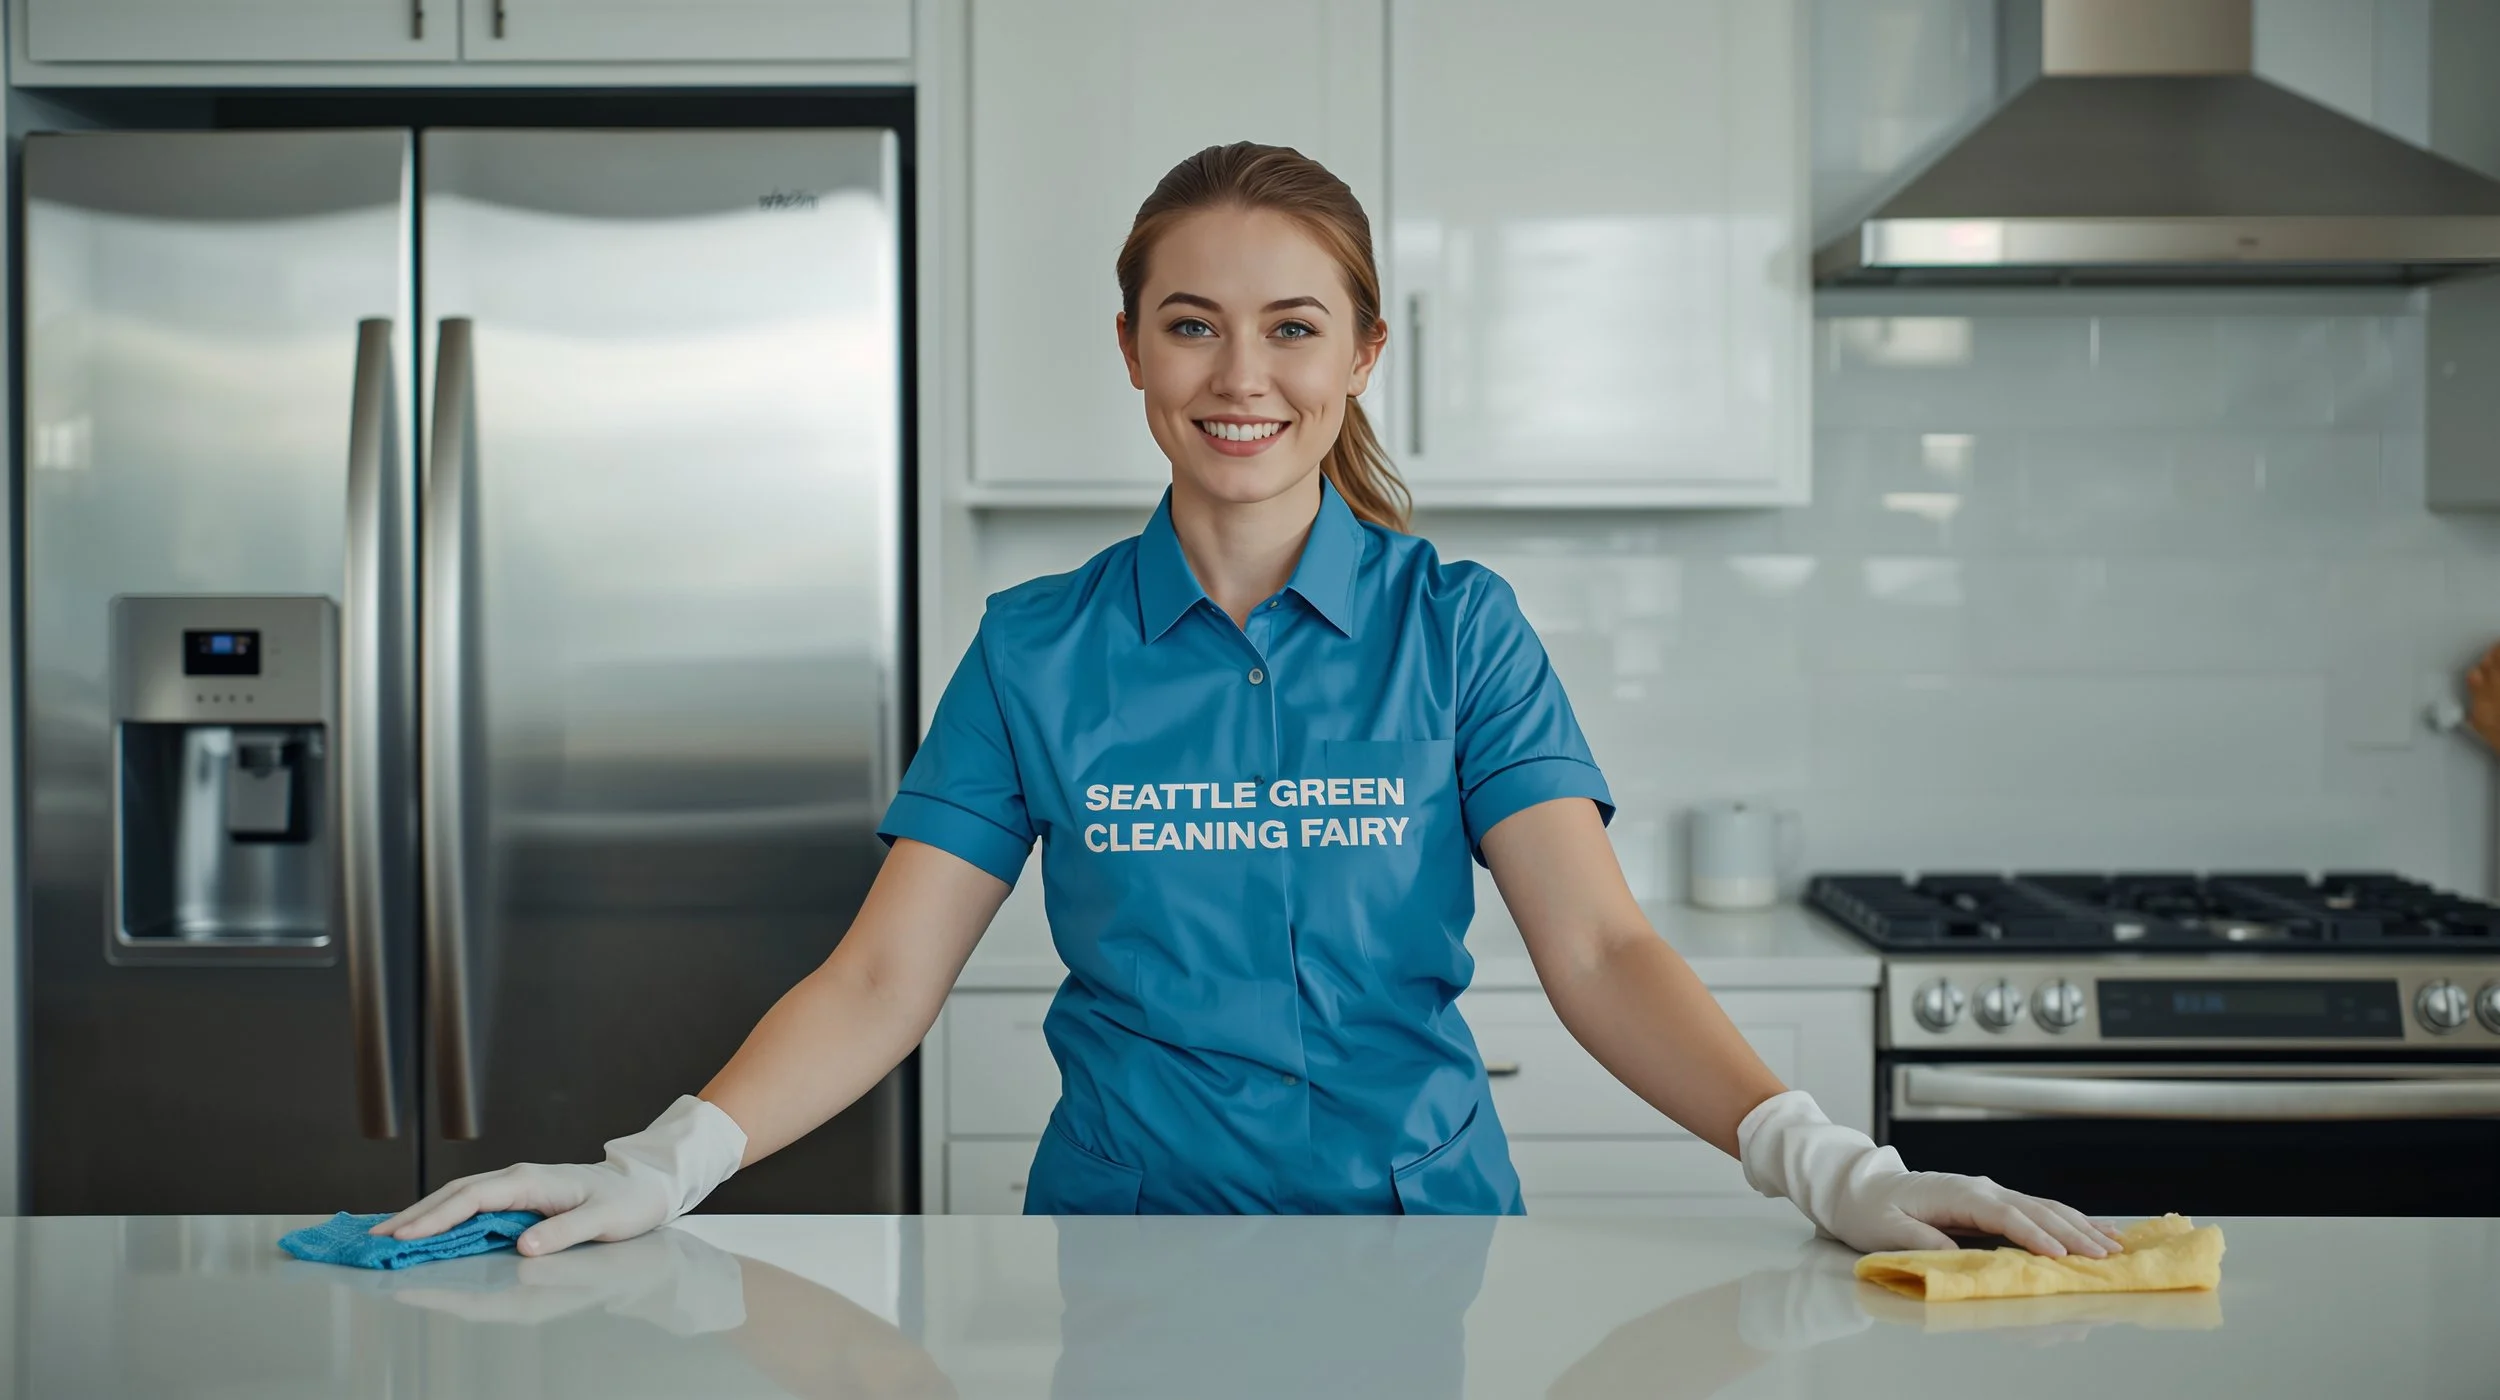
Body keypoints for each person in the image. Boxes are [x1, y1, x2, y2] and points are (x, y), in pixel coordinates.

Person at [378, 142, 2121, 1260]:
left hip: (1424, 1244)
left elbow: (1597, 954)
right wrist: (663, 1165)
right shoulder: (1037, 649)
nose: (1241, 377)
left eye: (1292, 329)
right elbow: (882, 976)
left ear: (1363, 352)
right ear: (1130, 347)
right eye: (1193, 326)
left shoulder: (1460, 630)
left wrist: (1829, 1168)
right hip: (1130, 1252)